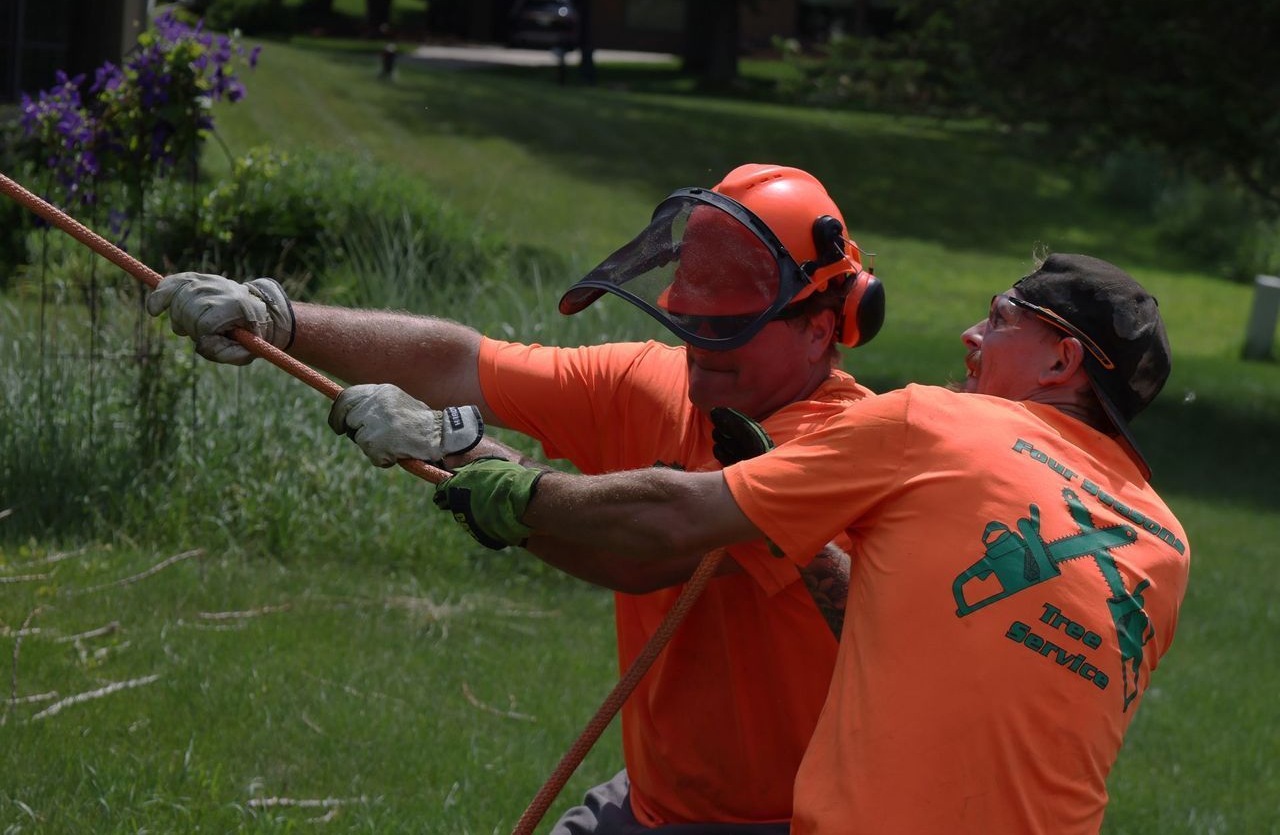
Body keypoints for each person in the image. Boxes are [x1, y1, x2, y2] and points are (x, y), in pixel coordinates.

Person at [145, 164, 887, 831]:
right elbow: (462, 362)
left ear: (821, 329)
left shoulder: (845, 450)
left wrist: (466, 451)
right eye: (689, 322)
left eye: (728, 331)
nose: (701, 350)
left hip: (788, 821)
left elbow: (652, 546)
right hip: (658, 802)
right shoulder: (660, 383)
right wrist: (282, 319)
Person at [431, 253, 1191, 834]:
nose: (971, 335)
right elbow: (938, 635)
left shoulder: (936, 422)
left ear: (1063, 362)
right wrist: (785, 517)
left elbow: (673, 521)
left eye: (1000, 318)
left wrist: (506, 483)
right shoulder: (1164, 545)